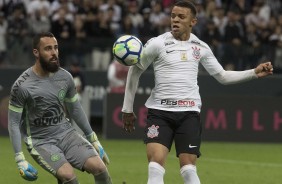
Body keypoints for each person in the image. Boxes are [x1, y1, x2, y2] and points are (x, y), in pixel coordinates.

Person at [121, 1, 273, 184]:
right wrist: (127, 109)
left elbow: (222, 76)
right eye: (173, 16)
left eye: (181, 17)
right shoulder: (157, 44)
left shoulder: (200, 47)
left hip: (189, 114)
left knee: (189, 171)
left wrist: (253, 73)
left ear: (193, 22)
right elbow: (135, 70)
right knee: (155, 167)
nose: (175, 20)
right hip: (160, 113)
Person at [8, 32, 112, 184]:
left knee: (100, 168)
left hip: (66, 134)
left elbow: (75, 109)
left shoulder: (65, 77)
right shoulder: (21, 86)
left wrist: (93, 139)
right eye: (48, 49)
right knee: (68, 176)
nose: (54, 53)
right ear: (36, 52)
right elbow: (13, 123)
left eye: (56, 48)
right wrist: (19, 159)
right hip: (41, 141)